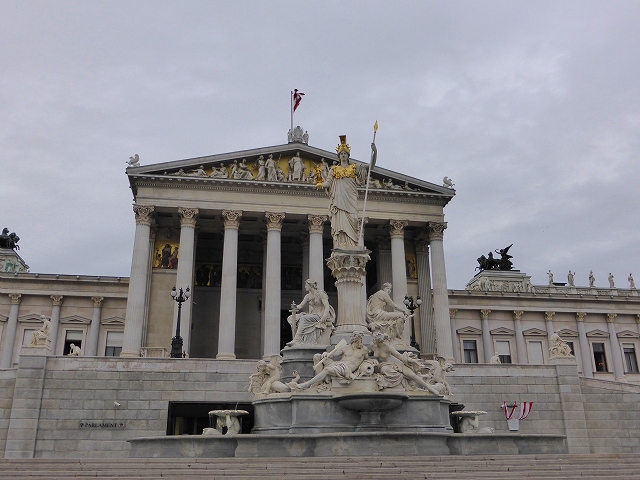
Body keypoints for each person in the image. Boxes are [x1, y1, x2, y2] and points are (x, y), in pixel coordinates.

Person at [320, 135, 360, 248]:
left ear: (348, 156)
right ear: (339, 156)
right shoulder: (334, 169)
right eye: (341, 153)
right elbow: (328, 182)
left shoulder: (354, 168)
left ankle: (352, 244)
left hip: (350, 198)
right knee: (341, 220)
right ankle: (342, 243)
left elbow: (370, 167)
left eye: (345, 153)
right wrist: (320, 184)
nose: (343, 155)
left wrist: (374, 152)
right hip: (339, 199)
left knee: (353, 219)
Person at [291, 333, 369, 390]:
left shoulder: (364, 350)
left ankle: (307, 384)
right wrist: (327, 354)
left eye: (361, 341)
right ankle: (319, 381)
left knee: (327, 370)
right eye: (358, 341)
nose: (360, 343)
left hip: (346, 369)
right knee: (317, 356)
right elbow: (334, 354)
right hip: (338, 364)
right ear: (353, 341)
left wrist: (371, 362)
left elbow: (367, 359)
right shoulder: (346, 347)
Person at [370, 332, 440, 395]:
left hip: (395, 363)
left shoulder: (388, 347)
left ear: (380, 341)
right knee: (384, 369)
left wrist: (413, 361)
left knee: (412, 375)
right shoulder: (373, 346)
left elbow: (400, 357)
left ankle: (430, 388)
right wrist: (372, 360)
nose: (374, 342)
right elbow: (369, 355)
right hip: (383, 365)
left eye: (376, 341)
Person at [286, 279, 336, 346]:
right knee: (291, 318)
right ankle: (300, 339)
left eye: (306, 285)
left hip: (321, 315)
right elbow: (300, 306)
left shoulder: (321, 294)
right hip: (313, 314)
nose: (305, 287)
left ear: (311, 285)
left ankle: (296, 340)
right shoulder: (308, 296)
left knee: (304, 318)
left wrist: (324, 317)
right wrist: (295, 307)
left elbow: (327, 306)